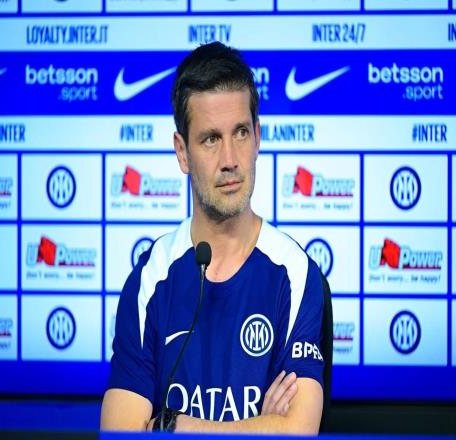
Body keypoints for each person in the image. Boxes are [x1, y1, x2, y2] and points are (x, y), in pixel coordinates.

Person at [100, 42, 324, 434]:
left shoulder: (296, 273)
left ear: (258, 137)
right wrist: (260, 426)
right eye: (210, 139)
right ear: (182, 152)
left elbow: (297, 431)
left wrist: (173, 426)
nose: (230, 160)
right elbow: (120, 433)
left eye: (241, 133)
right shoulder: (151, 278)